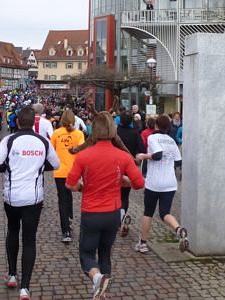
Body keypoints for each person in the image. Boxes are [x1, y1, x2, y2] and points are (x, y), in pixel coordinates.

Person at [65, 111, 145, 300]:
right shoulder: (122, 156)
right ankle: (102, 293)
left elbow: (70, 184)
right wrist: (124, 181)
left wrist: (81, 187)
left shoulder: (84, 156)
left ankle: (97, 278)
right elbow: (139, 183)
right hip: (113, 213)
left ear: (94, 130)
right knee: (105, 254)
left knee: (86, 255)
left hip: (91, 212)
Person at [0, 107, 60, 300]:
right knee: (29, 239)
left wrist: (8, 166)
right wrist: (38, 166)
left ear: (18, 122)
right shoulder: (43, 141)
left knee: (13, 231)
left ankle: (12, 274)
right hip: (34, 198)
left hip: (12, 196)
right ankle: (25, 288)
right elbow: (55, 164)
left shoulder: (9, 140)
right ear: (34, 122)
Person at [135, 115, 189, 253]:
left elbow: (158, 155)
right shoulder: (171, 140)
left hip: (154, 182)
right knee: (165, 213)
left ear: (156, 126)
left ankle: (143, 243)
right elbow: (178, 161)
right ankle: (178, 229)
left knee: (148, 212)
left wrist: (143, 156)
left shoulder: (152, 138)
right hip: (170, 183)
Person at [51, 110, 85, 242]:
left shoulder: (56, 133)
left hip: (60, 171)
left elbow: (52, 151)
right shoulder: (79, 134)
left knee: (63, 199)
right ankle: (69, 218)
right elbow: (81, 152)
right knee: (68, 195)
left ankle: (66, 230)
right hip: (74, 171)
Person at [117, 110, 146, 237]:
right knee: (125, 196)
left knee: (114, 194)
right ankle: (122, 215)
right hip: (129, 167)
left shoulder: (115, 132)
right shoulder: (135, 133)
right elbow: (142, 151)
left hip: (114, 166)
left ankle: (117, 217)